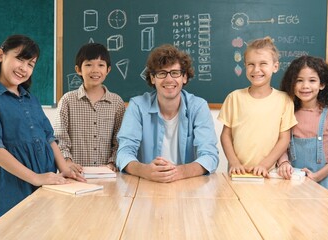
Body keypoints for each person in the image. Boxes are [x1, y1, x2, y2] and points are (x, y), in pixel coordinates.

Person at [0, 35, 85, 223]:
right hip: (14, 185)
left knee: (46, 228)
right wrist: (35, 178)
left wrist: (63, 168)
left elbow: (48, 136)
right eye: (19, 59)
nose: (24, 68)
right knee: (14, 229)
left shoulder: (30, 98)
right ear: (1, 55)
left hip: (46, 179)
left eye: (30, 64)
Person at [116, 44, 219, 183]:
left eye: (175, 73)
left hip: (187, 184)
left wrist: (179, 172)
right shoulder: (137, 106)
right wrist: (145, 171)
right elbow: (123, 153)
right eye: (162, 73)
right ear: (153, 78)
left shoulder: (198, 107)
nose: (169, 79)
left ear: (184, 77)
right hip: (147, 184)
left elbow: (210, 156)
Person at [218, 36, 297, 177]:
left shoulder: (284, 100)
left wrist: (264, 165)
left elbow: (284, 139)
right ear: (245, 66)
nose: (256, 69)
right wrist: (234, 162)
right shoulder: (234, 97)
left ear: (275, 66)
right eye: (251, 64)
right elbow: (226, 135)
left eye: (263, 64)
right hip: (238, 173)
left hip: (268, 174)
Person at [277, 55, 328, 194]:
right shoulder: (287, 111)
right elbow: (280, 145)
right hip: (292, 183)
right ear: (292, 84)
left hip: (322, 183)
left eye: (312, 80)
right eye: (299, 80)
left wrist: (316, 176)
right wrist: (283, 162)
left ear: (322, 84)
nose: (305, 86)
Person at [54, 43, 125, 173]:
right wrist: (67, 162)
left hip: (107, 174)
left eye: (101, 65)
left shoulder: (117, 102)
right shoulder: (67, 100)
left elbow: (119, 140)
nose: (95, 70)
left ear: (108, 70)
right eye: (88, 64)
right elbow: (59, 138)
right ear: (78, 69)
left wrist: (111, 162)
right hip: (74, 174)